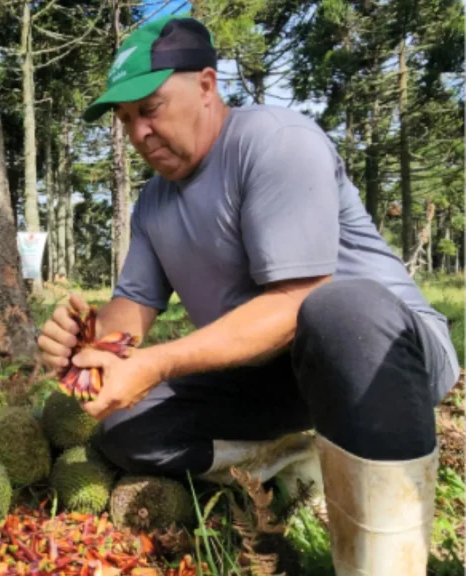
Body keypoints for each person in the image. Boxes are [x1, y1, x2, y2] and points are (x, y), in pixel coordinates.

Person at [38, 14, 461, 576]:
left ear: (206, 85)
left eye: (151, 108)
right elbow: (133, 306)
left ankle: (384, 563)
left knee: (337, 310)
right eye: (126, 119)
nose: (138, 133)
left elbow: (295, 303)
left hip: (381, 356)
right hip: (274, 371)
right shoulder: (154, 204)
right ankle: (305, 462)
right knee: (125, 429)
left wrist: (158, 363)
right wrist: (90, 343)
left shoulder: (275, 142)